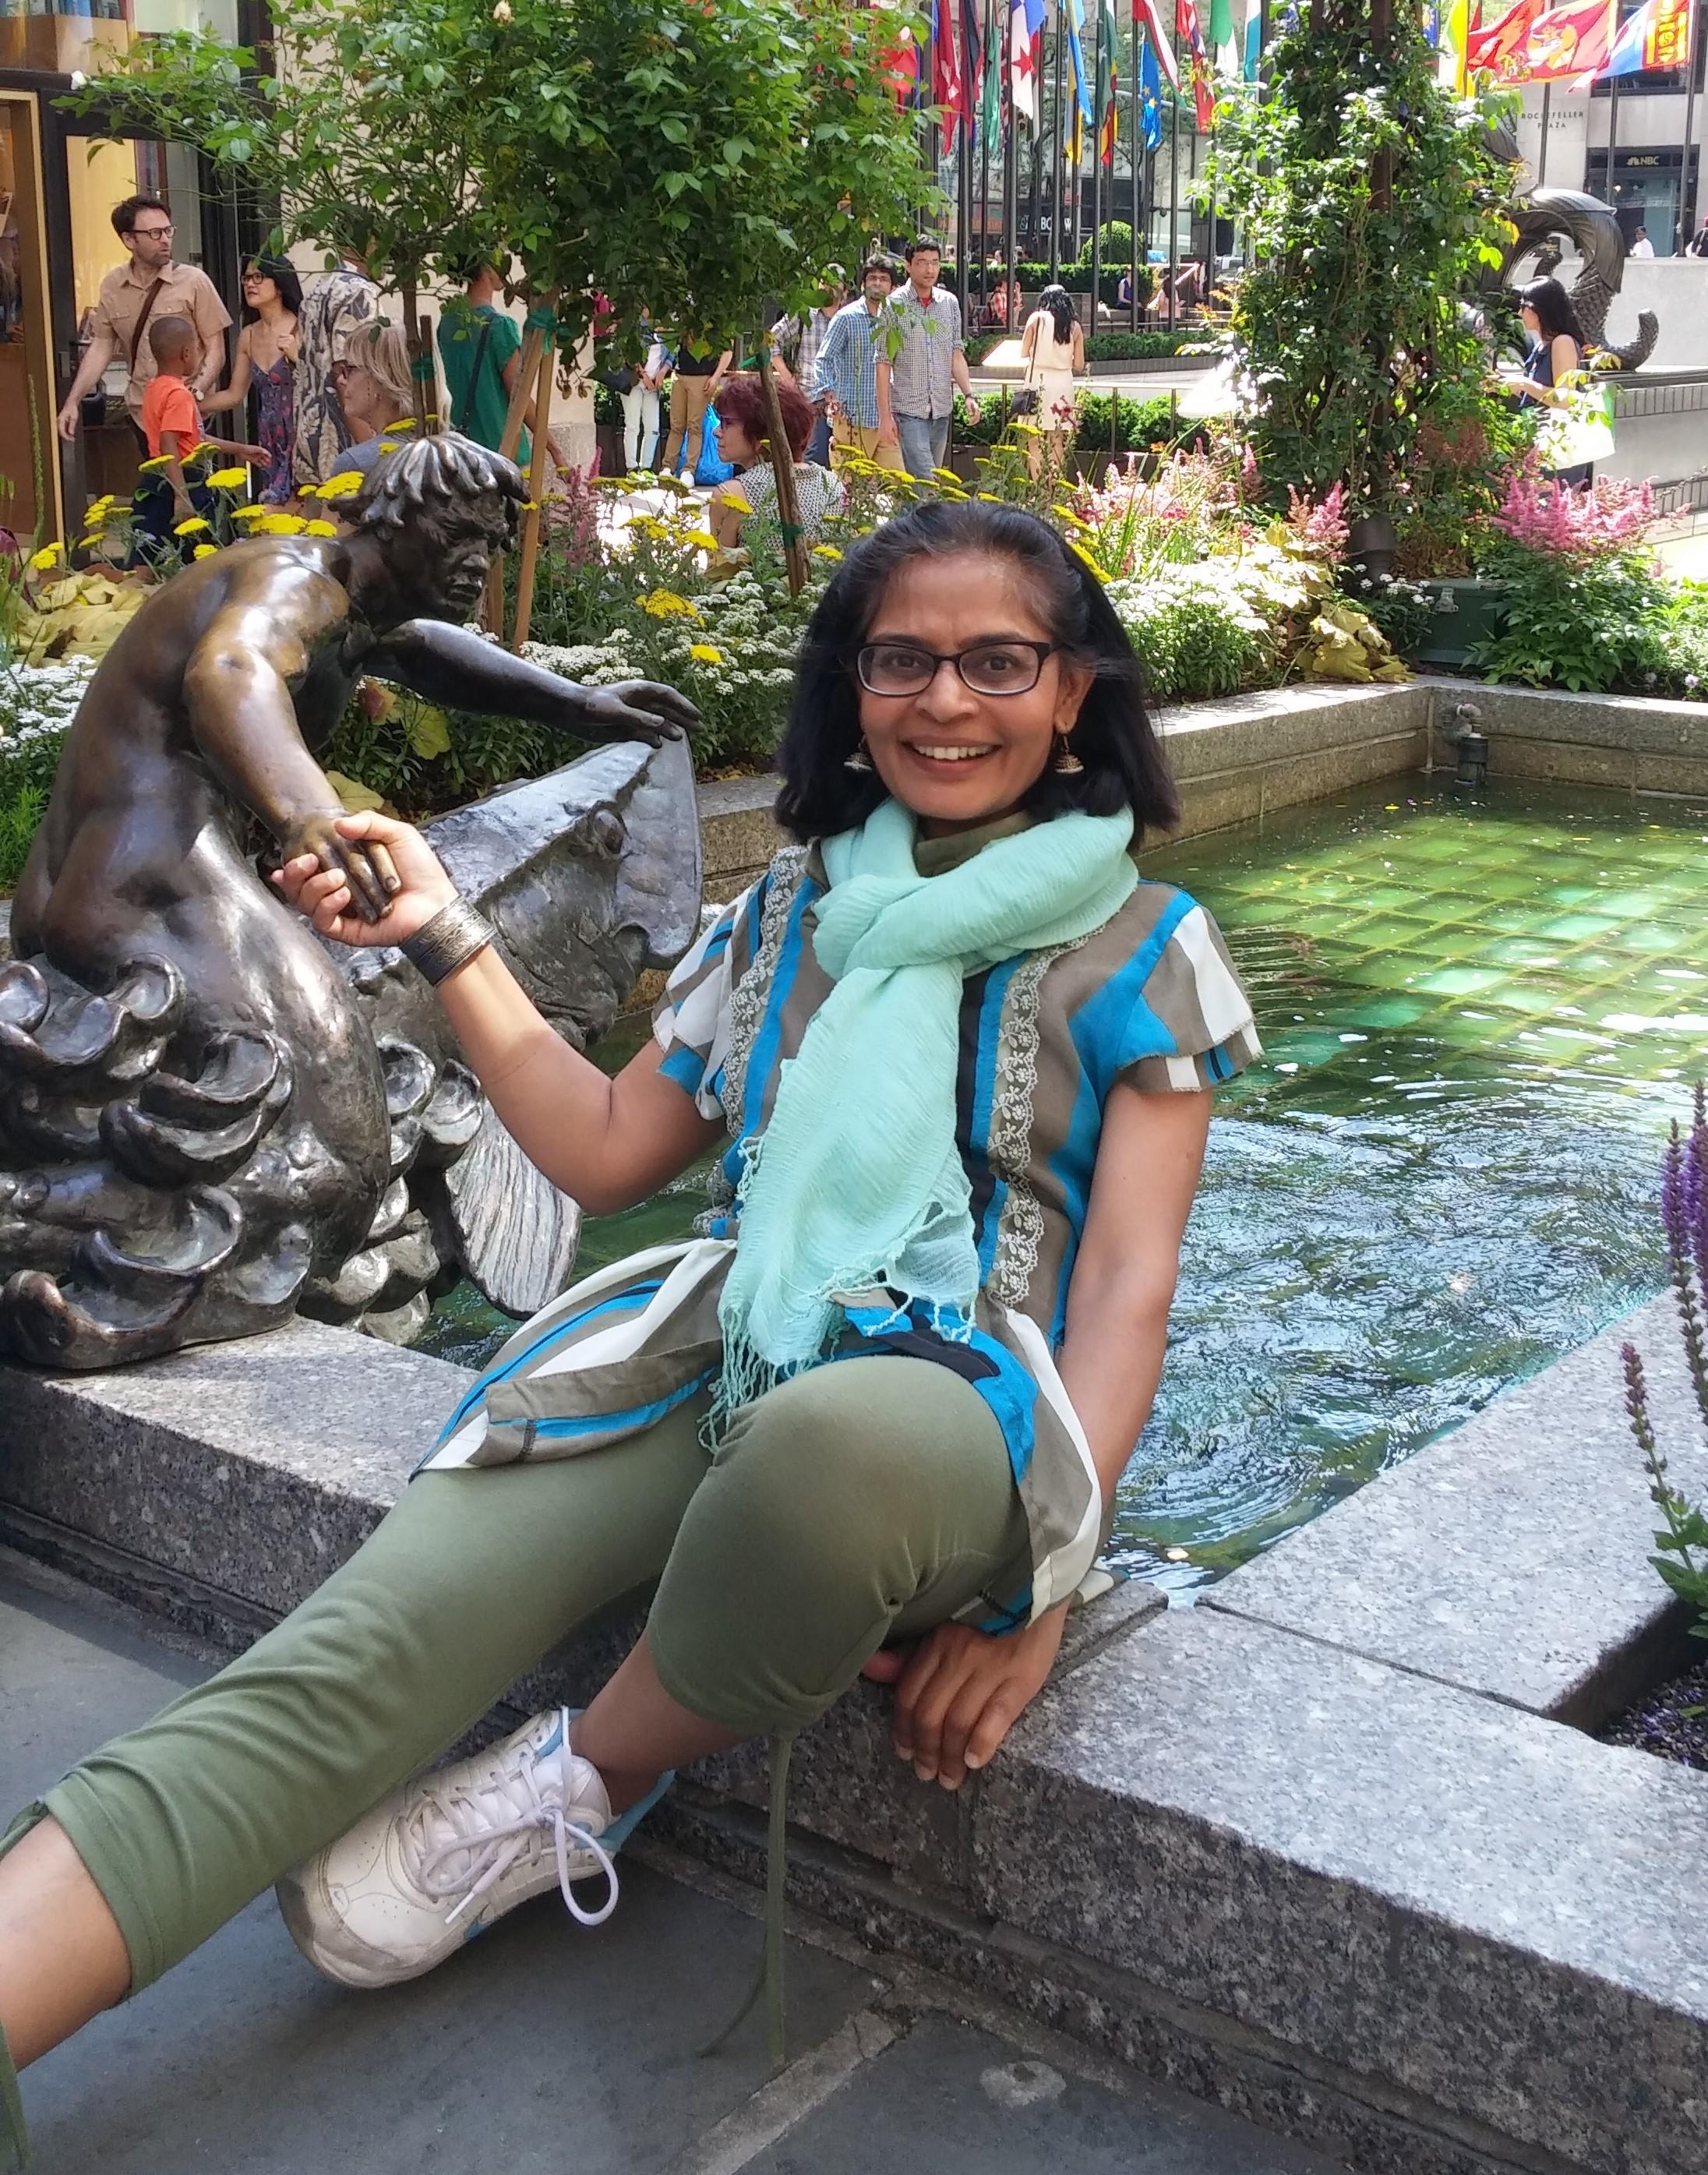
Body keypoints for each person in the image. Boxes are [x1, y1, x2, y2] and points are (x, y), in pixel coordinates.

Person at [0, 497, 1258, 2170]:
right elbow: (604, 1148)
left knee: (829, 1450)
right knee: (354, 1654)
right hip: (720, 1346)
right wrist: (444, 932)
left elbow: (1123, 1296)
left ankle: (584, 1773)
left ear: (1075, 693)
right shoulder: (787, 917)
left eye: (995, 663)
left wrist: (1043, 1586)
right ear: (852, 689)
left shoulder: (1144, 949)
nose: (945, 702)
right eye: (902, 662)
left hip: (959, 1421)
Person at [55, 194, 231, 445]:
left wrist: (195, 393)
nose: (165, 240)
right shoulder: (113, 286)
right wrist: (73, 402)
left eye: (169, 231)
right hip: (143, 411)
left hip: (188, 412)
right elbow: (101, 347)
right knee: (158, 482)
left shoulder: (194, 281)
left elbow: (216, 350)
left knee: (190, 483)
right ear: (129, 239)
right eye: (155, 233)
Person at [129, 316, 265, 561]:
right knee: (195, 559)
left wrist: (240, 449)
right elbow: (169, 442)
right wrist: (182, 496)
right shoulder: (179, 395)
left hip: (157, 479)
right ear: (186, 353)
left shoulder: (154, 389)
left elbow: (194, 439)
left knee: (148, 556)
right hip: (184, 480)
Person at [436, 254, 569, 475]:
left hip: (457, 451)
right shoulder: (499, 327)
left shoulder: (447, 323)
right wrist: (555, 452)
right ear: (486, 267)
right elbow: (520, 396)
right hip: (499, 452)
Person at [877, 237, 982, 481]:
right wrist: (884, 417)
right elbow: (883, 362)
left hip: (941, 410)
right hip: (908, 412)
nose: (930, 269)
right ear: (908, 265)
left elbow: (956, 353)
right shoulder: (893, 305)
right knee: (928, 482)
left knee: (921, 487)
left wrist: (969, 395)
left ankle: (908, 520)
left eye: (935, 262)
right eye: (922, 262)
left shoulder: (949, 304)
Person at [706, 369, 845, 553]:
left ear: (760, 433)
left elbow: (718, 574)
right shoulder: (834, 485)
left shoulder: (729, 496)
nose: (716, 432)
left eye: (727, 423)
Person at [199, 254, 301, 505]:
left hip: (302, 432)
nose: (249, 284)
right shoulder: (248, 335)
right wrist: (189, 404)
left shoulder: (303, 326)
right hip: (269, 438)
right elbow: (234, 394)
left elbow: (323, 385)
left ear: (279, 283)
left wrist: (298, 357)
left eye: (258, 277)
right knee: (274, 510)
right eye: (246, 278)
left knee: (300, 508)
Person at [292, 231, 383, 491]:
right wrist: (370, 448)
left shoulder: (315, 292)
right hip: (344, 442)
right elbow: (346, 376)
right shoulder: (359, 293)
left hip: (309, 436)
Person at [813, 255, 907, 473]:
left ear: (893, 287)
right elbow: (823, 359)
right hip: (851, 419)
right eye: (872, 278)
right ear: (863, 284)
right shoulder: (846, 318)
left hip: (885, 420)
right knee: (849, 491)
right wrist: (830, 396)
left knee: (900, 487)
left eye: (883, 279)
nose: (877, 283)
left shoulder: (897, 320)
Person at [1512, 275, 1593, 488]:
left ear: (1539, 310)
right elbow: (1540, 395)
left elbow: (1565, 399)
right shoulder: (1541, 346)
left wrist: (1523, 384)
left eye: (1523, 306)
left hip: (1560, 450)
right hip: (1541, 445)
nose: (1519, 313)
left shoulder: (1562, 342)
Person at [323, 322, 421, 480]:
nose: (341, 380)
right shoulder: (449, 445)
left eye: (349, 370)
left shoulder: (355, 464)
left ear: (380, 378)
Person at [775, 274, 848, 467]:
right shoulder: (804, 314)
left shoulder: (851, 317)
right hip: (810, 399)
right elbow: (770, 340)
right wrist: (787, 377)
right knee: (815, 456)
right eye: (825, 283)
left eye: (835, 283)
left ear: (845, 290)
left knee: (843, 459)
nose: (829, 288)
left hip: (844, 403)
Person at [1019, 283, 1085, 475]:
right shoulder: (1075, 327)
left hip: (1037, 382)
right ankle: (1053, 490)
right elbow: (1079, 364)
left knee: (1034, 439)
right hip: (1063, 384)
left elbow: (1023, 352)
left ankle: (1037, 488)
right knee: (1057, 439)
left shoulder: (1036, 319)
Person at [662, 334, 732, 478]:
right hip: (680, 376)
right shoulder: (685, 323)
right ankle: (668, 467)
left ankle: (689, 470)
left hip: (701, 377)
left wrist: (715, 377)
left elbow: (728, 351)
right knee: (676, 426)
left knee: (694, 426)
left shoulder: (713, 325)